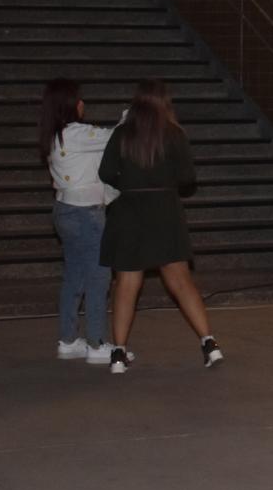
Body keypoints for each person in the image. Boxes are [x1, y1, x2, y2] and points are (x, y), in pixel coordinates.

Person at [97, 79, 223, 375]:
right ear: (164, 102)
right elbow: (188, 176)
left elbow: (105, 172)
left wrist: (129, 184)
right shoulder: (174, 133)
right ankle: (209, 344)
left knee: (126, 284)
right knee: (180, 280)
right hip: (165, 210)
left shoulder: (122, 133)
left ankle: (118, 354)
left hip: (129, 212)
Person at [39, 78, 116, 364]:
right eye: (79, 98)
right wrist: (130, 117)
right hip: (86, 213)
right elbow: (115, 137)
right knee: (99, 276)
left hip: (64, 209)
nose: (84, 103)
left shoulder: (54, 135)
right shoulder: (76, 133)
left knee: (74, 276)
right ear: (70, 104)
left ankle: (68, 339)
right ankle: (96, 344)